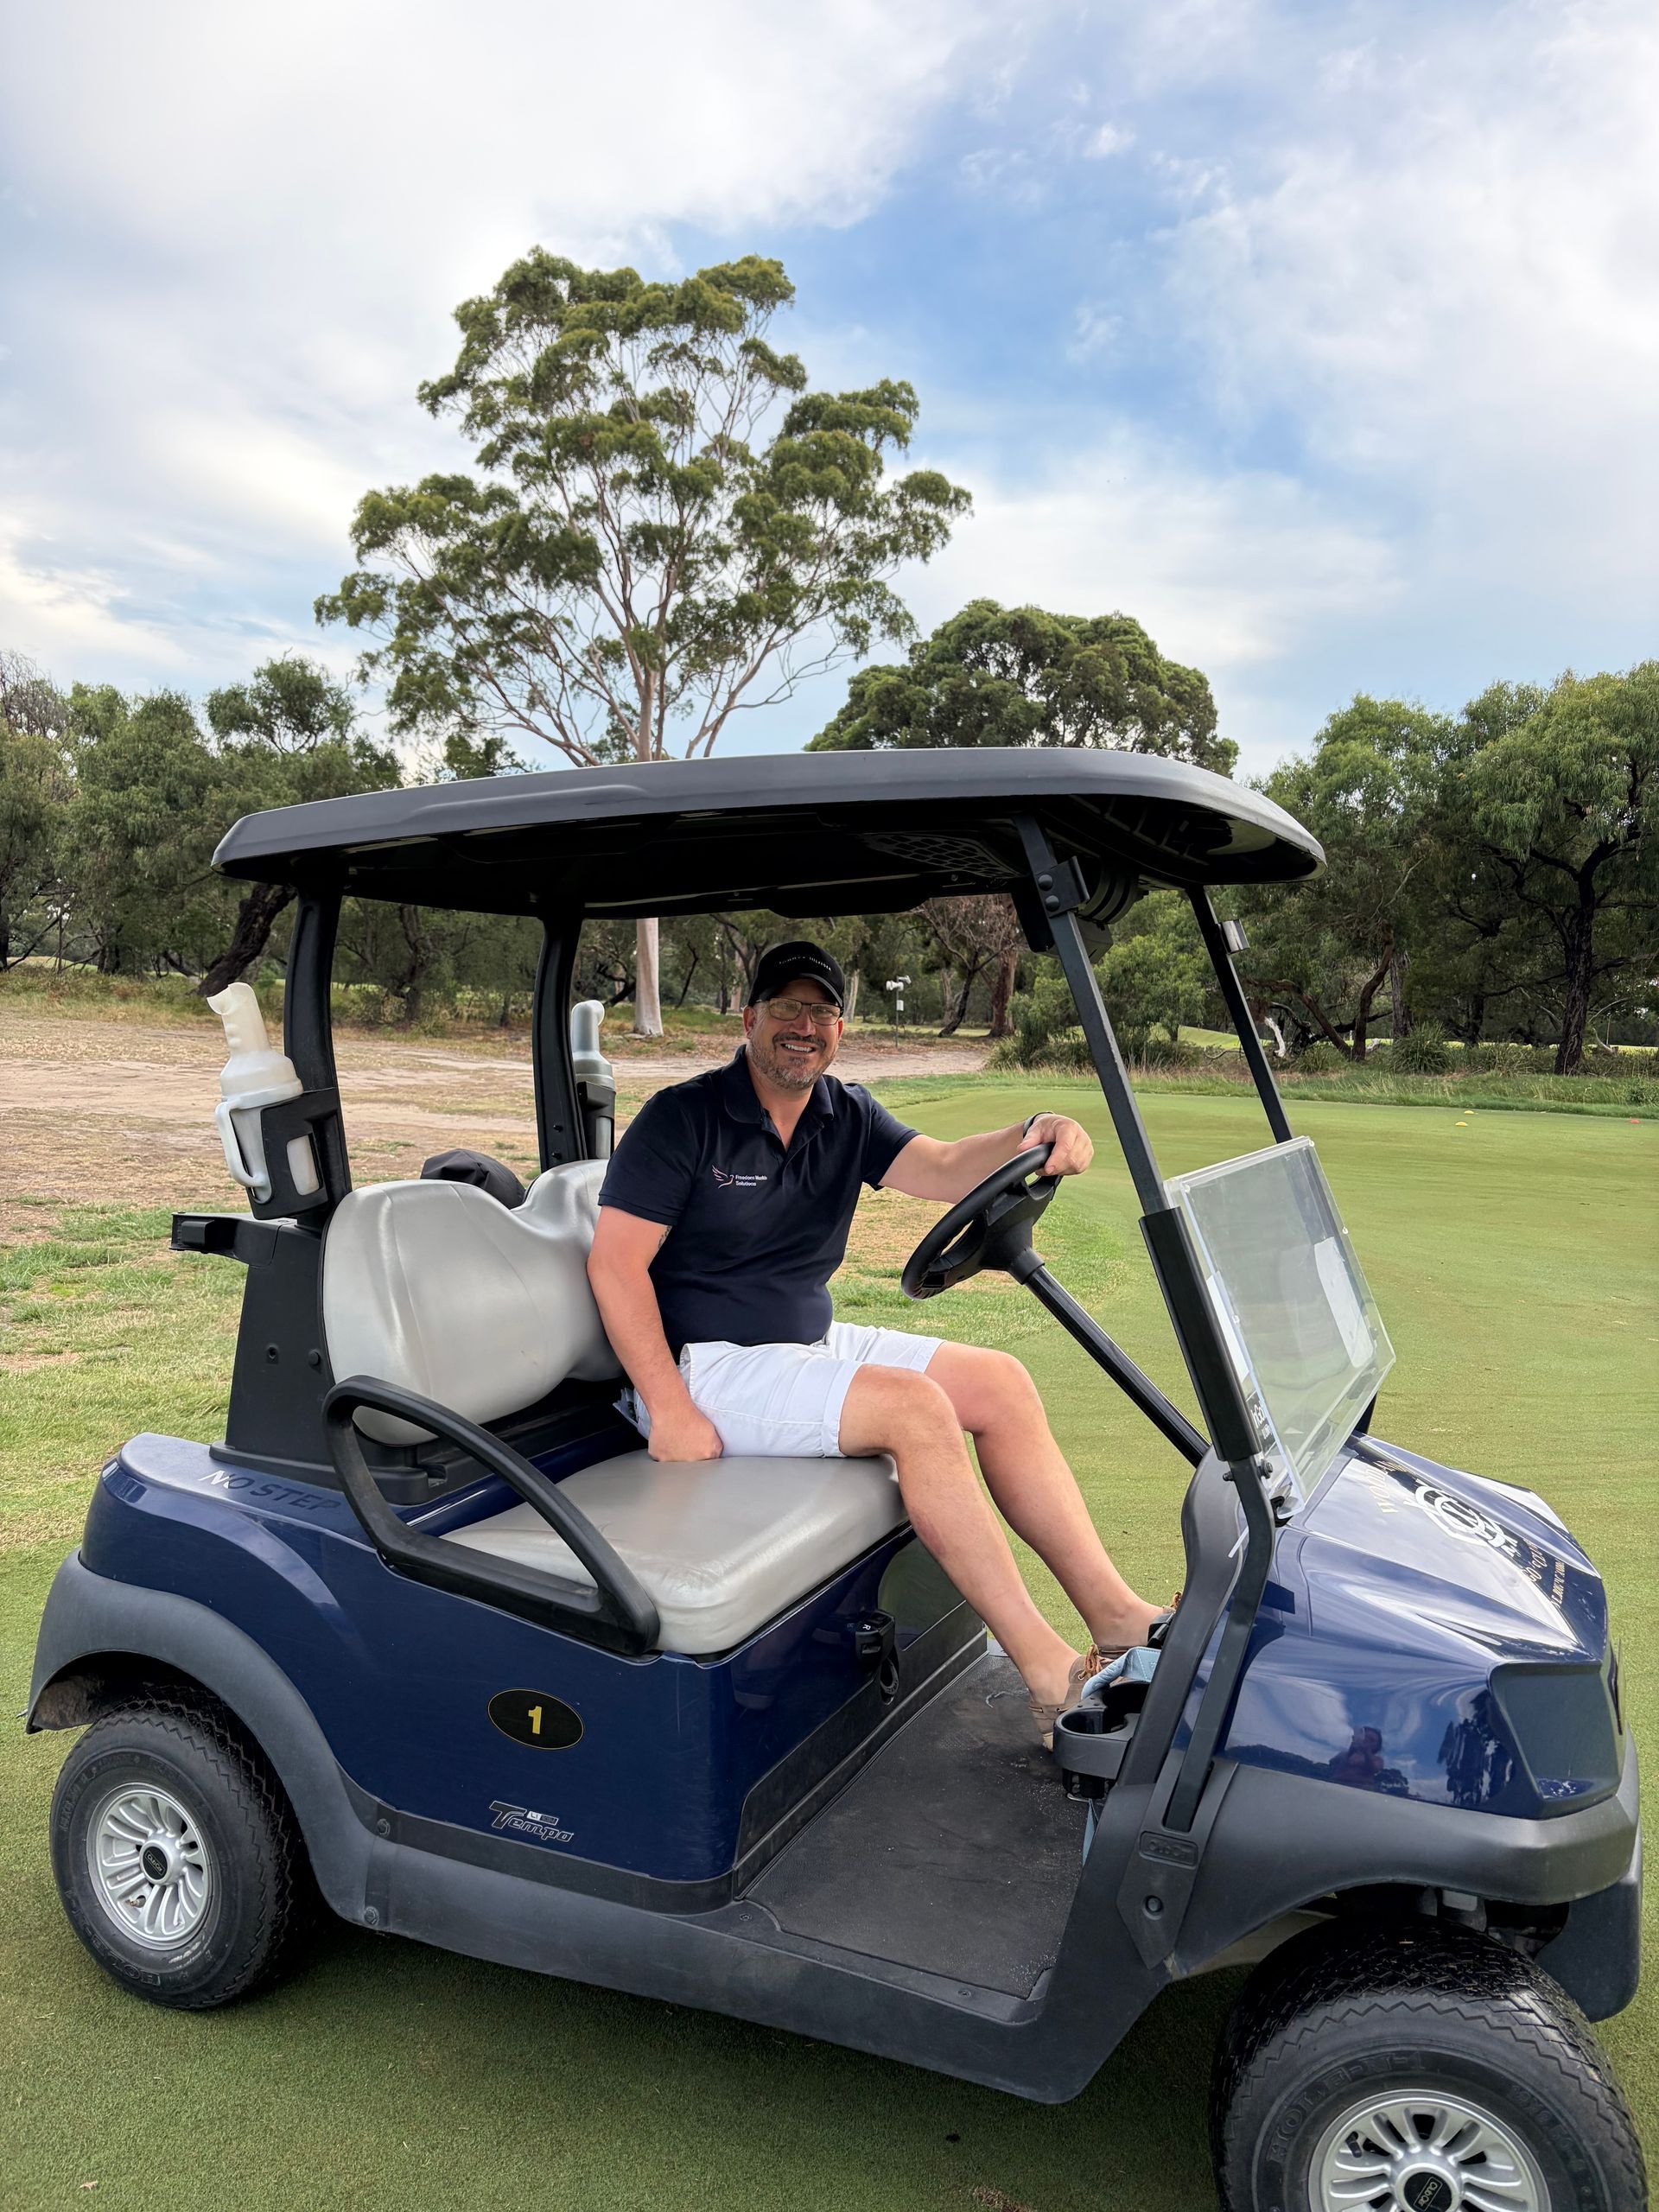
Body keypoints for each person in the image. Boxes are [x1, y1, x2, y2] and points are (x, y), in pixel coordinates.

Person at [587, 939, 1165, 1743]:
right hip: (709, 1367)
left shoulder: (844, 1113)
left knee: (1000, 1382)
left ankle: (1119, 1617)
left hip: (805, 1343)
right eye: (785, 1008)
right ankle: (1043, 1671)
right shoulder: (685, 1118)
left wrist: (1033, 1130)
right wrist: (668, 1407)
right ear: (749, 1018)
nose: (804, 1025)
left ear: (839, 1027)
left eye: (820, 1010)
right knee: (916, 1410)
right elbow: (616, 1265)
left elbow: (945, 1164)